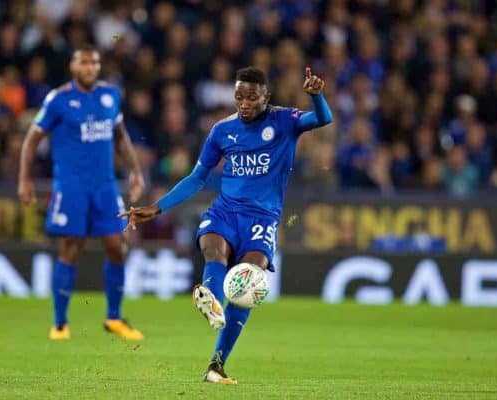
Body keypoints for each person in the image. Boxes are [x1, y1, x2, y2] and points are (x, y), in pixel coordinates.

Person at [121, 66, 333, 383]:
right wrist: (158, 207)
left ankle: (216, 366)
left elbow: (322, 119)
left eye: (251, 96)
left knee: (246, 285)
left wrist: (316, 97)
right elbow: (197, 179)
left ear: (266, 97)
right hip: (225, 211)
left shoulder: (284, 121)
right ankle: (211, 299)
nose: (244, 103)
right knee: (213, 249)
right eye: (238, 96)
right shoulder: (222, 131)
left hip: (262, 219)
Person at [18, 45, 145, 341]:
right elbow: (32, 139)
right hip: (71, 186)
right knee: (71, 247)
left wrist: (136, 171)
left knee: (117, 246)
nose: (89, 68)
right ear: (73, 67)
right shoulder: (59, 100)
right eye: (83, 63)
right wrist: (24, 179)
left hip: (105, 185)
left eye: (94, 63)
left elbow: (120, 136)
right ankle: (60, 323)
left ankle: (114, 318)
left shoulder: (110, 95)